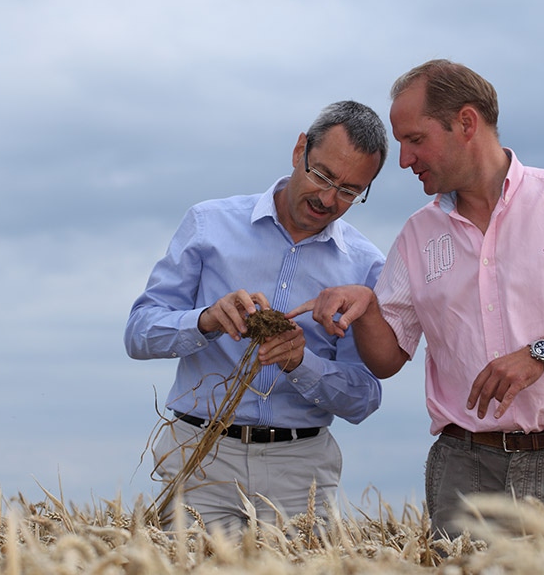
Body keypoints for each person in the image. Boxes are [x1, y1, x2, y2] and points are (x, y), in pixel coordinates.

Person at [291, 60, 544, 538]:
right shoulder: (418, 234)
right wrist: (367, 307)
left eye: (414, 140)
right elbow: (387, 359)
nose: (403, 160)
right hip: (464, 469)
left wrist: (540, 355)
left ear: (465, 123)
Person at [124, 100, 389, 533]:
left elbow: (365, 397)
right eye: (321, 175)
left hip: (301, 471)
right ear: (299, 150)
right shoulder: (209, 224)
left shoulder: (365, 267)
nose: (327, 198)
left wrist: (302, 363)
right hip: (202, 458)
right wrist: (206, 320)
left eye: (348, 191)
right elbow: (138, 333)